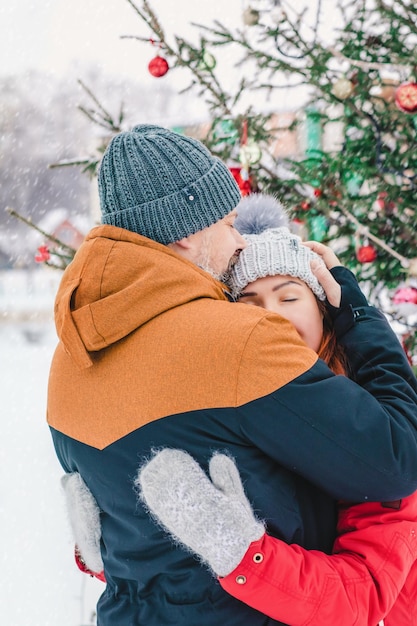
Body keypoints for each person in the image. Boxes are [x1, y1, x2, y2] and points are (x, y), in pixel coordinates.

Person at [48, 124, 417, 626]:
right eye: (227, 222)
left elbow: (149, 544)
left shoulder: (71, 357)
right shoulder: (237, 340)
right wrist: (357, 315)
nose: (239, 238)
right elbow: (394, 461)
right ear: (184, 236)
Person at [137, 193, 417, 626]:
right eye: (248, 304)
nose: (272, 320)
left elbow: (362, 593)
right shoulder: (235, 411)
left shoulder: (370, 423)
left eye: (289, 298)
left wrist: (245, 557)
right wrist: (120, 540)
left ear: (323, 312)